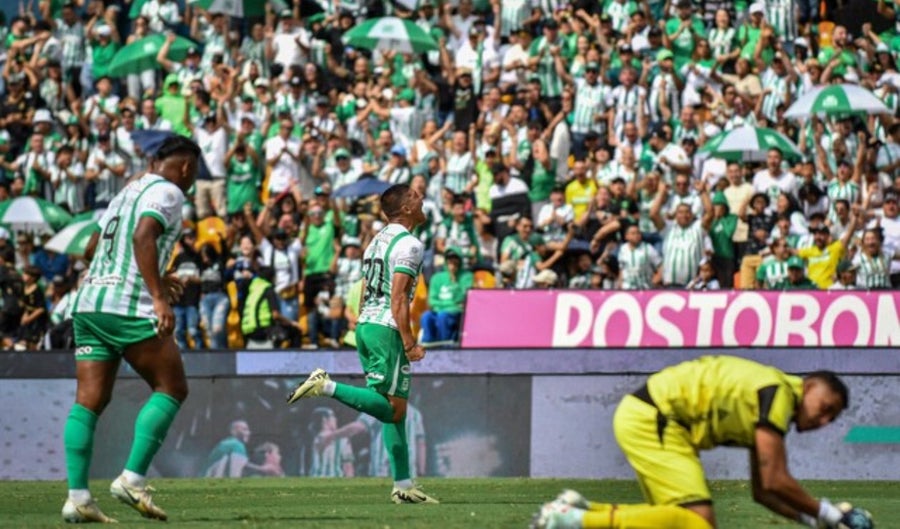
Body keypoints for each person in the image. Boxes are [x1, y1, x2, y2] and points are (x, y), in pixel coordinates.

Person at [532, 356, 869, 529]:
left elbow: (763, 492)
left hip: (649, 415)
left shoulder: (771, 399)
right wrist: (828, 514)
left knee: (676, 520)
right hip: (657, 418)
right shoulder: (779, 393)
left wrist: (812, 519)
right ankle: (572, 521)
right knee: (698, 523)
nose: (823, 420)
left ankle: (580, 509)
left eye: (832, 419)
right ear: (808, 387)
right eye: (825, 408)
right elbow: (775, 479)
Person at [62, 135, 201, 523]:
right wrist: (158, 295)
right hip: (127, 306)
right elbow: (143, 235)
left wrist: (156, 275)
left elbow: (91, 248)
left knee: (88, 401)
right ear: (186, 167)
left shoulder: (125, 193)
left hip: (89, 303)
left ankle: (77, 498)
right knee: (171, 387)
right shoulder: (169, 191)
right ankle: (132, 480)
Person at [287, 183, 439, 504]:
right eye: (415, 197)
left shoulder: (374, 242)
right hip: (387, 329)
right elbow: (398, 298)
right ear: (406, 208)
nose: (422, 199)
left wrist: (367, 325)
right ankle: (325, 386)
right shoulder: (409, 244)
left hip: (366, 325)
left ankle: (403, 485)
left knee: (392, 410)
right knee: (393, 409)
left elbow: (367, 287)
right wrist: (409, 343)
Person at [420, 247, 473, 346]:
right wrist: (448, 305)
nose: (452, 261)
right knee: (426, 316)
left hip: (456, 312)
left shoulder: (467, 277)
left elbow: (463, 298)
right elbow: (432, 300)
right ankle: (428, 346)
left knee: (443, 316)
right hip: (440, 310)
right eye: (449, 258)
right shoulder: (437, 277)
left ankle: (445, 346)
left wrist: (454, 279)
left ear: (459, 260)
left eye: (455, 258)